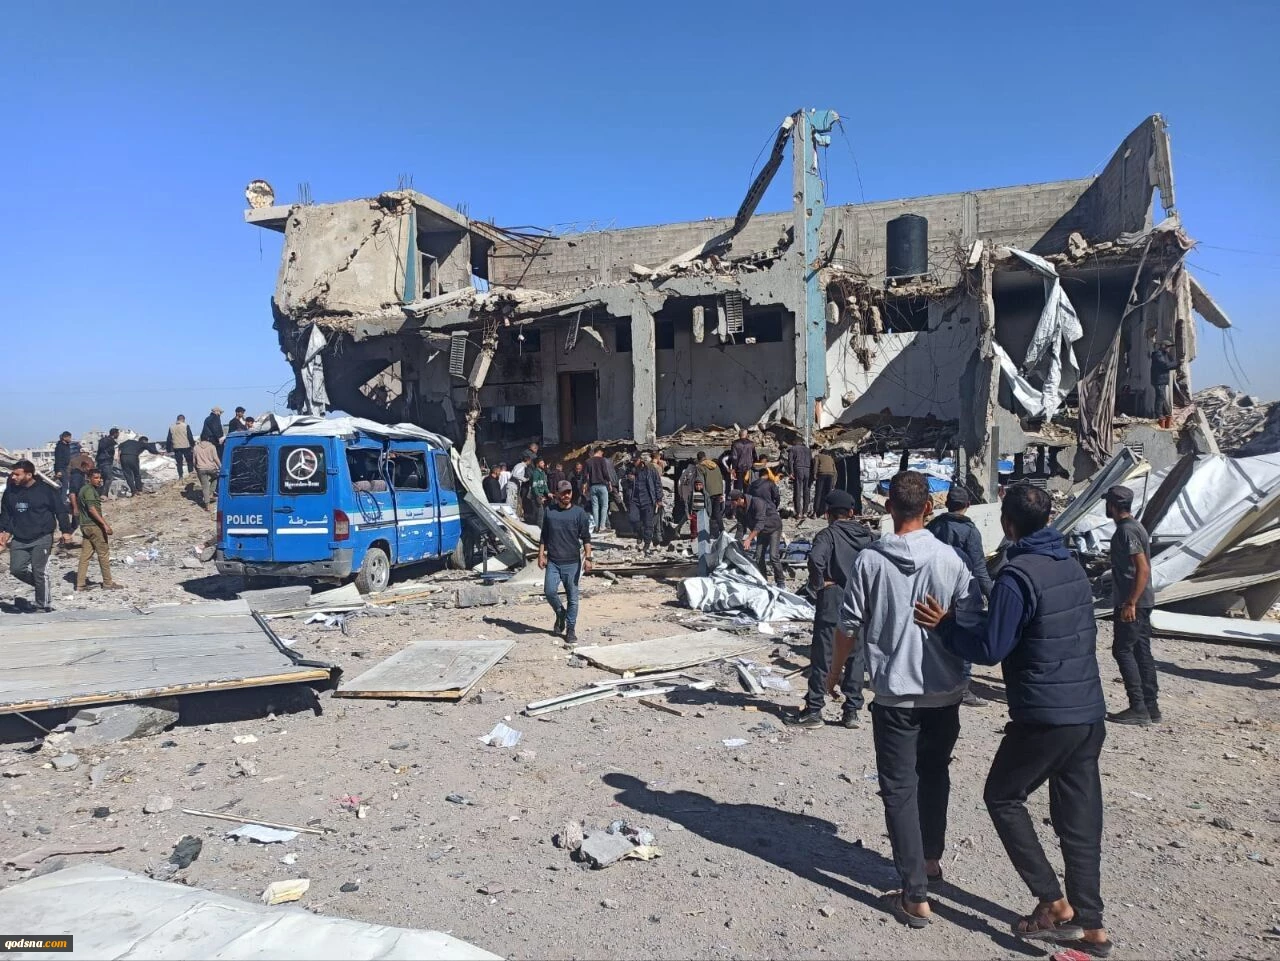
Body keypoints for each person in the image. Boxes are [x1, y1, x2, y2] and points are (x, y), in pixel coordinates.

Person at [914, 483, 1110, 956]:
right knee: (1079, 821)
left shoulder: (1017, 575)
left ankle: (1053, 903)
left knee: (1002, 796)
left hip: (1045, 713)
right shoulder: (1070, 565)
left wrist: (946, 626)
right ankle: (1092, 927)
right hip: (1088, 711)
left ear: (1006, 523)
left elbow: (990, 648)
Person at [835, 470, 983, 928]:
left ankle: (915, 893)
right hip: (945, 691)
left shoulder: (869, 561)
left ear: (887, 508)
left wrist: (835, 676)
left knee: (899, 788)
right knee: (935, 773)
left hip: (896, 695)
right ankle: (931, 859)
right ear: (930, 508)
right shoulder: (951, 560)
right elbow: (972, 618)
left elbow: (848, 626)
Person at [786, 490, 875, 730]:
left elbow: (816, 559)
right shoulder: (867, 536)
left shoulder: (828, 535)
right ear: (852, 512)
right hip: (860, 601)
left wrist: (819, 583)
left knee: (823, 656)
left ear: (828, 514)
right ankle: (851, 711)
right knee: (856, 657)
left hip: (833, 599)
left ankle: (814, 710)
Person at [927, 485, 994, 708]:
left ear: (947, 504)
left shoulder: (933, 526)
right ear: (968, 505)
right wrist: (992, 595)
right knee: (964, 636)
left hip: (935, 589)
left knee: (936, 635)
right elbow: (979, 568)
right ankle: (962, 689)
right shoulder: (970, 532)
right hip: (962, 592)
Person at [1104, 485, 1159, 726]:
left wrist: (1130, 602)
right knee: (1140, 651)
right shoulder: (1136, 526)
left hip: (1133, 602)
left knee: (1122, 650)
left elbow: (1142, 568)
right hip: (1141, 601)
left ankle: (1138, 706)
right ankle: (1151, 706)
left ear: (1112, 506)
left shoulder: (1126, 531)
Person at [0, 460, 73, 611]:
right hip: (19, 537)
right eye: (13, 474)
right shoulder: (10, 492)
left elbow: (60, 511)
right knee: (16, 569)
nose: (13, 477)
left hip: (42, 536)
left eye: (17, 474)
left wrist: (66, 531)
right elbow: (6, 514)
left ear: (29, 475)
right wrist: (3, 532)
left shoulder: (46, 490)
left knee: (39, 571)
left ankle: (42, 605)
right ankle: (41, 585)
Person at [539, 480, 593, 645]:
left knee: (573, 598)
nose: (566, 495)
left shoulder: (579, 513)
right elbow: (544, 536)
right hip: (554, 561)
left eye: (568, 492)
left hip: (572, 563)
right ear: (556, 494)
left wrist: (588, 558)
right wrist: (541, 555)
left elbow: (586, 538)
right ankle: (560, 613)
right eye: (563, 493)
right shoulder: (549, 511)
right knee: (549, 591)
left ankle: (570, 629)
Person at [76, 468, 122, 591]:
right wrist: (105, 525)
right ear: (89, 478)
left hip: (85, 526)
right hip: (93, 526)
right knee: (103, 553)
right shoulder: (89, 490)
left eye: (100, 478)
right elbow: (92, 509)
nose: (99, 480)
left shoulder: (83, 490)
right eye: (96, 478)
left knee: (85, 555)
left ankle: (80, 584)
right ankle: (108, 583)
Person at [728, 488, 785, 588]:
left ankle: (780, 581)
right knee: (759, 557)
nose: (732, 505)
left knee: (773, 556)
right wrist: (737, 542)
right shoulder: (739, 509)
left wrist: (749, 539)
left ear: (739, 499)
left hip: (773, 528)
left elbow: (760, 523)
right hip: (761, 532)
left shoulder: (757, 503)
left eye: (733, 502)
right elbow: (741, 527)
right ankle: (764, 581)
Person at [631, 453, 662, 555]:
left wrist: (659, 499)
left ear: (640, 460)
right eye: (633, 461)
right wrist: (628, 479)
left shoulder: (651, 469)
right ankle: (639, 534)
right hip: (635, 500)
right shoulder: (631, 469)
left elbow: (657, 483)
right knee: (634, 519)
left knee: (648, 523)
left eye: (635, 461)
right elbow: (623, 482)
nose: (634, 463)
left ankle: (647, 544)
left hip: (648, 500)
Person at [584, 447, 616, 533]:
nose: (602, 455)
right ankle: (602, 526)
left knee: (595, 506)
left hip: (593, 486)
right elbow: (605, 472)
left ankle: (596, 527)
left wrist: (585, 485)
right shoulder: (602, 460)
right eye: (602, 453)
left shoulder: (588, 461)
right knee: (604, 506)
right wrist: (609, 482)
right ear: (599, 452)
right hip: (602, 485)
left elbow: (586, 475)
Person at [696, 450, 726, 539]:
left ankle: (720, 531)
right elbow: (720, 478)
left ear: (698, 459)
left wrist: (701, 492)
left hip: (709, 492)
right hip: (718, 491)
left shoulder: (700, 467)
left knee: (712, 513)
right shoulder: (715, 465)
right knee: (716, 513)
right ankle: (716, 533)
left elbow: (700, 481)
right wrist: (721, 492)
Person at [1150, 340, 1177, 430]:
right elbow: (1165, 365)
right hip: (1158, 380)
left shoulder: (1165, 355)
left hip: (1162, 380)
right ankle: (1159, 415)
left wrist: (1175, 362)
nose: (1169, 349)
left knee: (1161, 397)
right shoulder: (1158, 355)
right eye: (1168, 347)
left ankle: (1161, 415)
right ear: (1163, 346)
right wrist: (1177, 363)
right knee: (1160, 397)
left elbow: (1171, 363)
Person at [787, 439, 813, 520]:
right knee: (806, 491)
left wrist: (791, 472)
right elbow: (811, 461)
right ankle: (805, 512)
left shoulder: (793, 449)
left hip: (798, 469)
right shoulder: (808, 450)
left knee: (797, 491)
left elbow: (790, 461)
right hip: (807, 470)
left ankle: (798, 513)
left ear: (794, 442)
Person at [193, 438, 221, 510]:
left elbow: (194, 460)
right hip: (211, 468)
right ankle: (210, 493)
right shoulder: (212, 446)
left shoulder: (196, 447)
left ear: (200, 439)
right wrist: (221, 467)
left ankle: (207, 505)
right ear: (208, 439)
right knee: (215, 479)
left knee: (205, 486)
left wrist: (196, 468)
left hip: (201, 469)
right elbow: (215, 458)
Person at [813, 445, 837, 517]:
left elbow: (816, 465)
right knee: (828, 494)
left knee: (818, 493)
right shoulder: (831, 458)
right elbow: (835, 471)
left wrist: (814, 474)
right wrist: (834, 482)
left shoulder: (818, 456)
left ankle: (815, 512)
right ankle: (826, 513)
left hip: (821, 474)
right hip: (830, 475)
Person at [53, 430, 77, 504]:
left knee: (63, 484)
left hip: (65, 467)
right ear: (64, 438)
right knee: (65, 484)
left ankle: (60, 499)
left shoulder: (67, 446)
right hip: (61, 468)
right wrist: (58, 471)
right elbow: (58, 459)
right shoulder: (59, 447)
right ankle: (63, 501)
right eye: (69, 437)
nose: (70, 439)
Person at [96, 427, 120, 494]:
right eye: (118, 433)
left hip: (100, 461)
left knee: (103, 478)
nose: (118, 435)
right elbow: (108, 451)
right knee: (109, 478)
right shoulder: (110, 441)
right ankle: (104, 494)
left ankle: (100, 493)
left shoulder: (103, 440)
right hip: (106, 461)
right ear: (115, 433)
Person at [529, 457, 550, 527]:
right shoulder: (535, 473)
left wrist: (548, 492)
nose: (543, 464)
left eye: (543, 462)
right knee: (540, 514)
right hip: (535, 496)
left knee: (537, 514)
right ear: (537, 464)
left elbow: (544, 484)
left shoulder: (543, 473)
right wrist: (538, 495)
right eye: (541, 463)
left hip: (540, 495)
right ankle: (539, 529)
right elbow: (534, 486)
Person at [511, 455, 531, 520]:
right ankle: (511, 518)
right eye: (530, 461)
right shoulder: (521, 466)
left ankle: (515, 517)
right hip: (513, 486)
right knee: (511, 503)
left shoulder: (521, 466)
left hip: (515, 486)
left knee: (516, 503)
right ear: (528, 461)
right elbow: (515, 474)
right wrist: (525, 479)